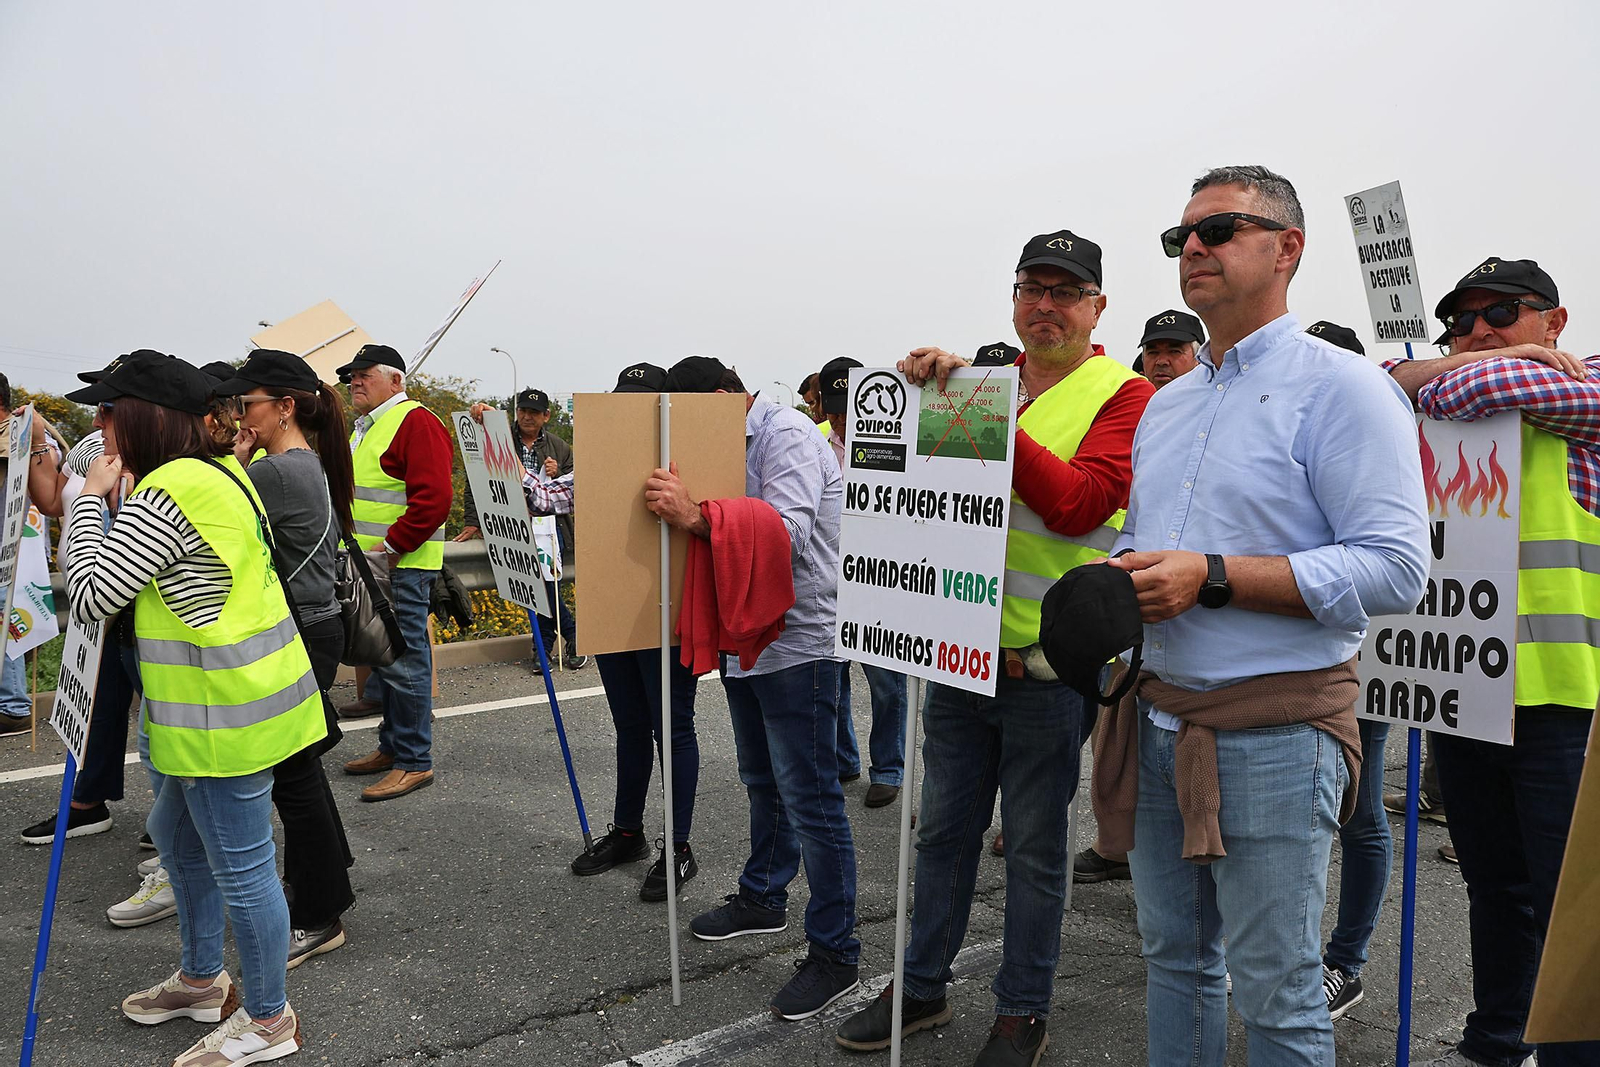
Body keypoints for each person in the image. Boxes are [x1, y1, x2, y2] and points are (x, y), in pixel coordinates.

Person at [1101, 165, 1428, 1067]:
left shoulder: (1348, 389)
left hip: (1278, 731)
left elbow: (1398, 567)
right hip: (1161, 715)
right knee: (1176, 962)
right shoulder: (1167, 404)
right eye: (1181, 237)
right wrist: (1117, 573)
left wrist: (1213, 575)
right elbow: (1148, 539)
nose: (1193, 247)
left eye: (1219, 229)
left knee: (1278, 988)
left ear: (1288, 248)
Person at [837, 229, 1154, 1065]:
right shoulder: (984, 384)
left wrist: (995, 423)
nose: (1044, 306)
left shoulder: (1123, 393)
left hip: (1048, 674)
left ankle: (1022, 1008)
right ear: (1013, 297)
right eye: (1030, 288)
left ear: (1097, 306)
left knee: (1038, 849)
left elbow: (1084, 505)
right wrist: (915, 398)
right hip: (960, 659)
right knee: (940, 833)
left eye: (1064, 292)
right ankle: (922, 986)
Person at [62, 353, 324, 1065]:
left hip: (222, 719)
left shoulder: (168, 492)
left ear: (147, 415)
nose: (100, 423)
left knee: (244, 869)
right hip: (232, 707)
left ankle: (268, 1018)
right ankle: (203, 979)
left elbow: (90, 594)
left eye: (110, 408)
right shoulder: (216, 471)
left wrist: (87, 497)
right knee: (174, 838)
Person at [1385, 256, 1600, 1067]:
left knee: (1575, 912)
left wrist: (1435, 372)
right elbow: (1380, 384)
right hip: (1463, 690)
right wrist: (1439, 369)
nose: (1479, 333)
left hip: (1566, 707)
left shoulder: (1588, 384)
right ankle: (1493, 1040)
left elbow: (1479, 390)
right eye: (1461, 323)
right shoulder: (1467, 378)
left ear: (1557, 321)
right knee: (1493, 889)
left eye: (1503, 313)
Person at [645, 355, 860, 1022]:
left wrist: (695, 514)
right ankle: (764, 896)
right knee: (761, 778)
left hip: (800, 641)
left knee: (812, 795)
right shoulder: (722, 441)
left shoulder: (786, 435)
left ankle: (836, 952)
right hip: (746, 634)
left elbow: (786, 535)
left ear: (724, 396)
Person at [215, 349, 358, 967]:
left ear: (285, 407)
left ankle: (320, 911)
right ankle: (325, 879)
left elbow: (212, 513)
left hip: (300, 631)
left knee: (293, 774)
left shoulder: (275, 473)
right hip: (316, 627)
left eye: (248, 405)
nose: (239, 415)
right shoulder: (300, 463)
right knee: (301, 769)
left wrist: (234, 461)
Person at [1072, 308, 1208, 887]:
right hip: (1133, 621)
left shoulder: (1211, 412)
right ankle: (1120, 851)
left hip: (1208, 642)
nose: (1161, 360)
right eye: (1153, 350)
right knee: (1118, 752)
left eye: (1174, 349)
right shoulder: (1149, 415)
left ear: (1198, 353)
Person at [556, 363, 702, 900]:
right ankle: (628, 832)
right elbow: (553, 497)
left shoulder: (689, 452)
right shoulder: (598, 457)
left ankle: (679, 848)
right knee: (630, 727)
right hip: (613, 605)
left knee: (673, 727)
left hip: (667, 609)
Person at [1291, 320, 1395, 1020]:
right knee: (1300, 814)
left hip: (1381, 657)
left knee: (1356, 815)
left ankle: (1345, 961)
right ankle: (1289, 956)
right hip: (1312, 660)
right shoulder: (1301, 430)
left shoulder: (1377, 418)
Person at [336, 344, 453, 802]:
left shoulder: (415, 421)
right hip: (375, 566)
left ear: (396, 381)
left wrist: (392, 547)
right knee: (389, 662)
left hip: (398, 566)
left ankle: (414, 761)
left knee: (405, 663)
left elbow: (435, 498)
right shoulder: (367, 427)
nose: (355, 382)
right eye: (351, 377)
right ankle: (393, 747)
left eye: (365, 375)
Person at [816, 356, 909, 808]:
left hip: (882, 583)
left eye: (847, 406)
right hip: (830, 579)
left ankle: (888, 769)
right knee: (831, 681)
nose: (838, 418)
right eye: (831, 407)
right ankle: (842, 758)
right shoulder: (812, 441)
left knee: (888, 685)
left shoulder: (897, 437)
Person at [457, 387, 586, 670]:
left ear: (546, 416)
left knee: (546, 586)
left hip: (549, 528)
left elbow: (574, 488)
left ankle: (544, 649)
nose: (527, 417)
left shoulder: (559, 446)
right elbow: (475, 479)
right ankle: (569, 637)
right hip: (510, 525)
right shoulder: (502, 437)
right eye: (523, 411)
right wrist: (472, 521)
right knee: (534, 588)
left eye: (534, 412)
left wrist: (557, 473)